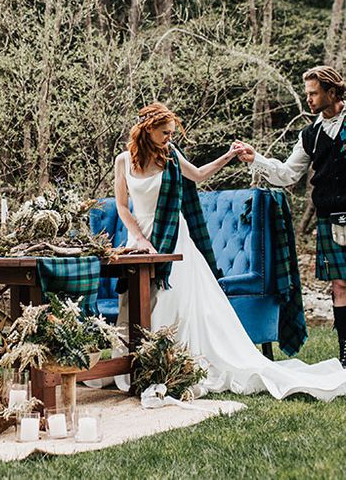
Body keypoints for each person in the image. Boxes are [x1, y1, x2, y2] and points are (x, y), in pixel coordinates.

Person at [113, 101, 346, 400]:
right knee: (130, 302)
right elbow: (122, 205)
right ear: (147, 130)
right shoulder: (123, 161)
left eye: (172, 133)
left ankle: (170, 365)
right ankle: (131, 366)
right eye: (165, 133)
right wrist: (139, 238)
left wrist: (229, 155)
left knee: (173, 302)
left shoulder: (171, 156)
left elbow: (197, 175)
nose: (170, 138)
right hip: (140, 237)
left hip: (174, 235)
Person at [233, 65, 346, 368]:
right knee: (340, 285)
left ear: (332, 92)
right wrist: (254, 158)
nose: (309, 99)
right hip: (330, 217)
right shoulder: (310, 135)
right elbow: (286, 174)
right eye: (307, 94)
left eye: (314, 93)